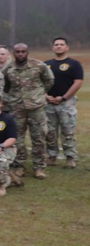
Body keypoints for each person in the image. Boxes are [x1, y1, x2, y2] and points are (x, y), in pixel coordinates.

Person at [2, 43, 54, 179]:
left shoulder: (39, 66)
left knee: (39, 137)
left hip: (36, 108)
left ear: (27, 52)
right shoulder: (9, 69)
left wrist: (38, 94)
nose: (20, 54)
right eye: (17, 52)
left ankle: (39, 167)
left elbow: (49, 81)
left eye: (23, 51)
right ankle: (19, 166)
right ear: (13, 53)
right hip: (17, 108)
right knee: (17, 138)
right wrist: (12, 99)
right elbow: (5, 87)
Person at [44, 37, 82, 169]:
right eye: (56, 44)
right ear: (53, 47)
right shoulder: (46, 65)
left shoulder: (74, 64)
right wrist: (46, 96)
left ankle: (70, 157)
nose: (59, 46)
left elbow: (78, 83)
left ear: (67, 47)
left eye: (61, 44)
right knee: (50, 132)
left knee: (68, 131)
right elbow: (39, 83)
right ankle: (52, 156)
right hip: (49, 104)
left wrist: (64, 97)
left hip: (66, 104)